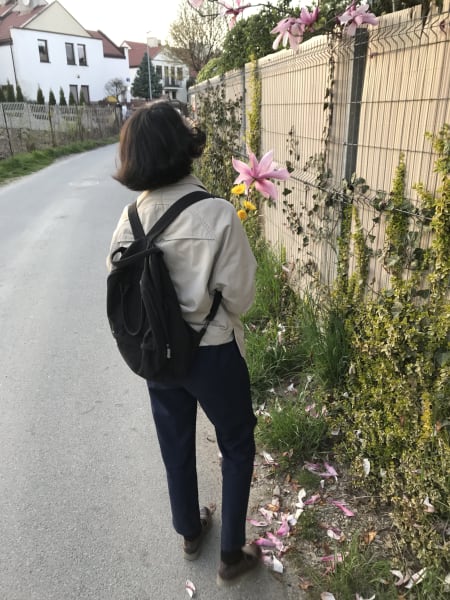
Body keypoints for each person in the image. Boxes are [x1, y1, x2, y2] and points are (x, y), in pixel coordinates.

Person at [107, 100, 261, 586]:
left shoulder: (128, 219)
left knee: (174, 441)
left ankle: (190, 531)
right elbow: (242, 295)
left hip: (157, 357)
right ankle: (232, 555)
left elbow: (121, 292)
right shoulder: (217, 214)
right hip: (213, 353)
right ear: (185, 149)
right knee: (236, 443)